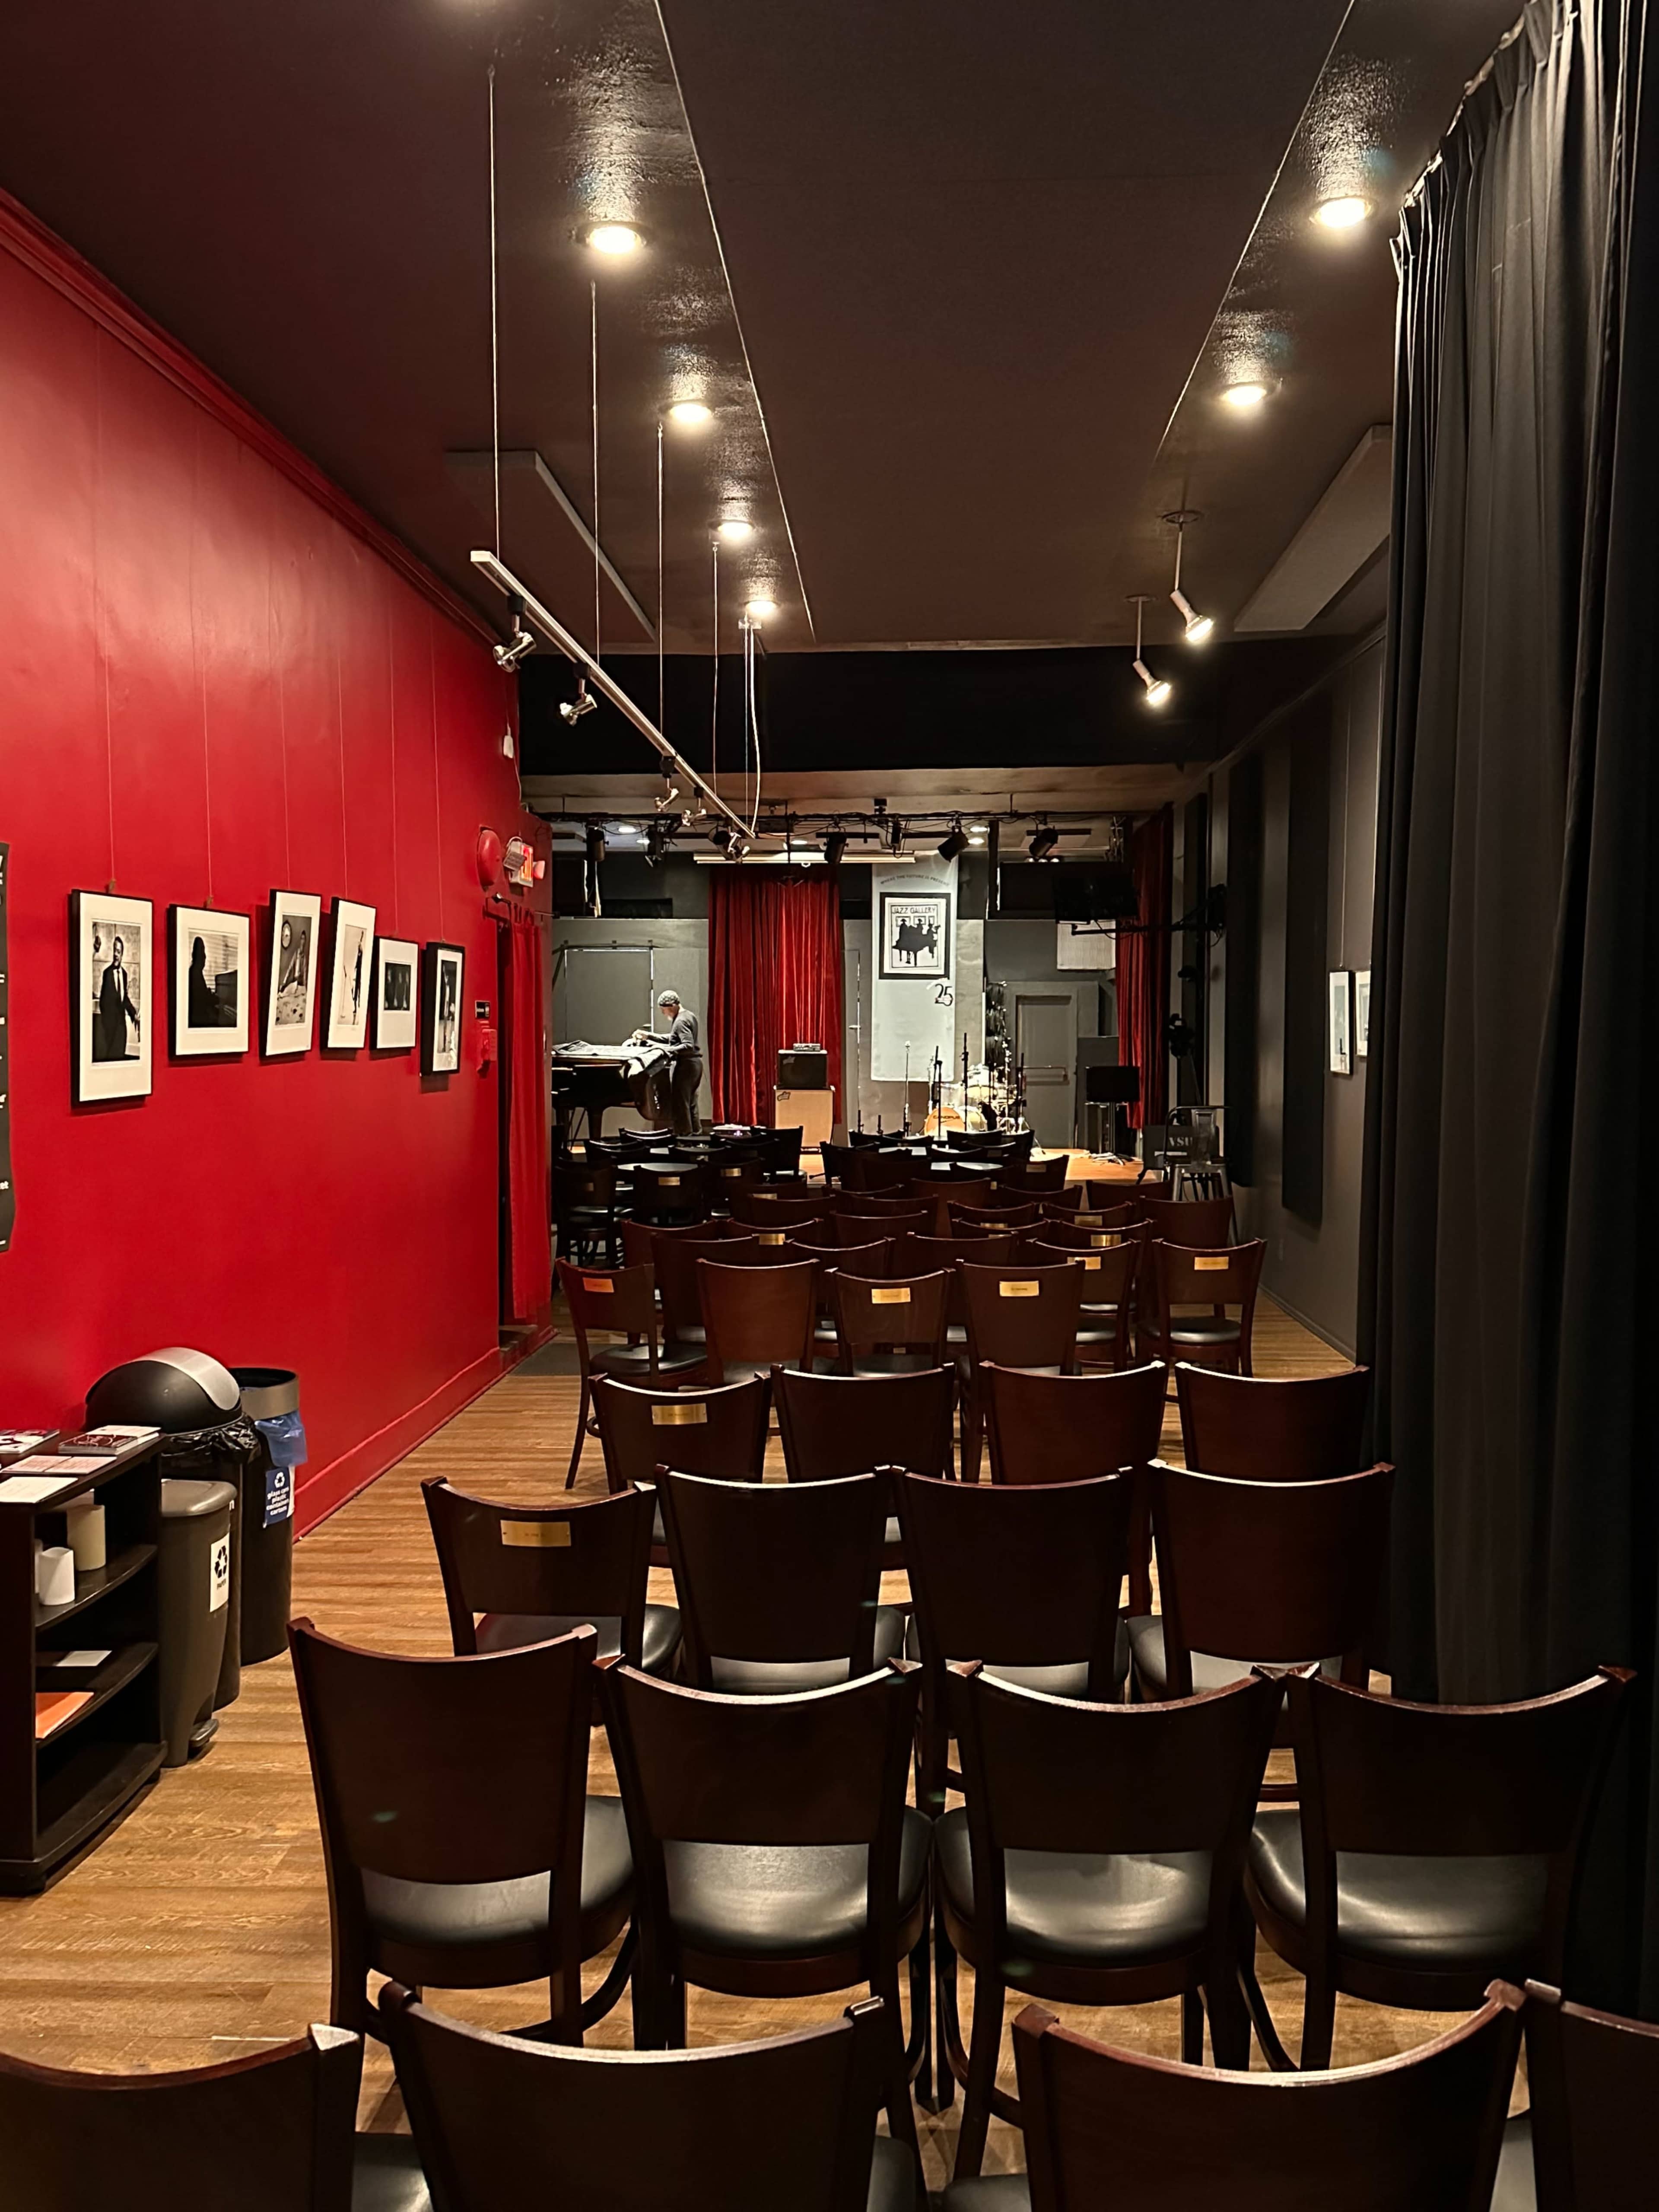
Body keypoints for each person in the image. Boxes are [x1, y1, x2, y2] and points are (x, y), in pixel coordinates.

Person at [635, 990, 702, 1137]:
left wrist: (664, 1050)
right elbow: (674, 1038)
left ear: (671, 1007)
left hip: (685, 1067)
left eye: (663, 1010)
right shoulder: (688, 1016)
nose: (663, 1013)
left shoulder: (680, 1021)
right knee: (691, 1104)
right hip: (695, 1065)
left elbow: (687, 1045)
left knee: (681, 1105)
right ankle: (697, 1139)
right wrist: (650, 1036)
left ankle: (684, 1139)